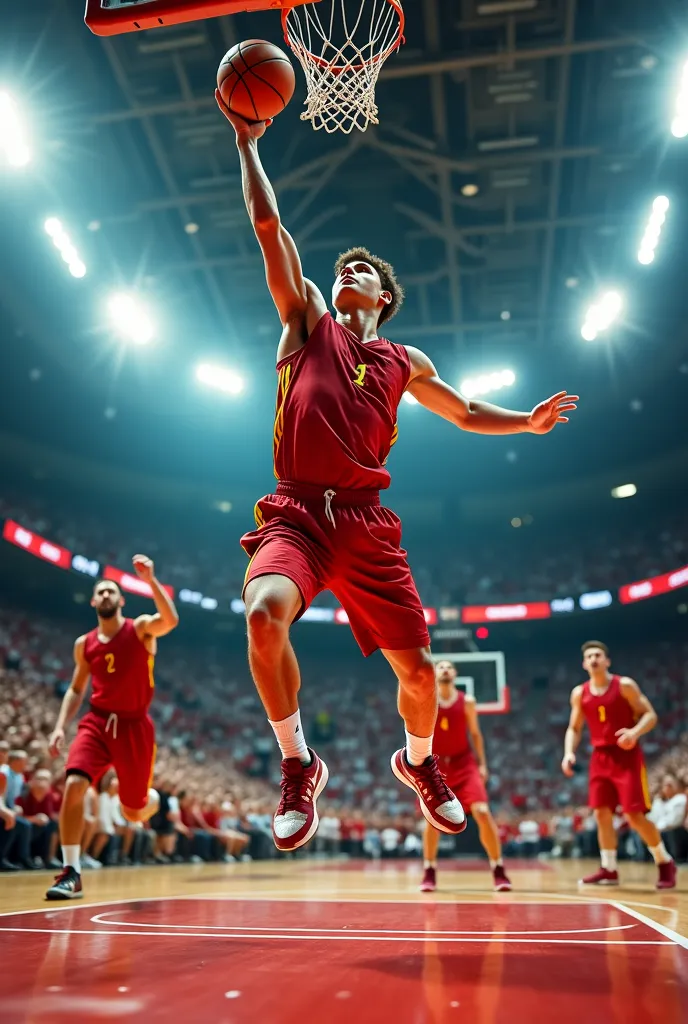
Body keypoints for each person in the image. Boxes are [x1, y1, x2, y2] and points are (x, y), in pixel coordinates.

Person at [215, 90, 579, 853]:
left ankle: (419, 765)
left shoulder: (405, 360)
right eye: (343, 264)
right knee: (260, 614)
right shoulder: (306, 317)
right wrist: (247, 144)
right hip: (296, 516)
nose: (347, 269)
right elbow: (268, 226)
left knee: (420, 678)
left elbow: (467, 410)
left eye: (363, 270)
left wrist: (528, 421)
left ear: (384, 298)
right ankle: (296, 762)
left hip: (366, 525)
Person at [45, 556, 179, 899]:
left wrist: (151, 580)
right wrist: (61, 726)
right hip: (98, 721)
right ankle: (70, 871)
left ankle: (148, 799)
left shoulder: (140, 629)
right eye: (100, 590)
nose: (105, 594)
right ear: (93, 601)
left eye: (111, 590)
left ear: (121, 600)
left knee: (133, 810)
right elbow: (76, 688)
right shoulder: (84, 644)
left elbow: (170, 619)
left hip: (134, 727)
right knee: (74, 782)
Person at [561, 641, 676, 889]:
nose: (593, 659)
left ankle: (664, 862)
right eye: (589, 656)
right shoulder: (579, 693)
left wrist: (634, 732)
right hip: (599, 757)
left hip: (627, 756)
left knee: (634, 815)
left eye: (598, 655)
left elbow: (650, 715)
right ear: (584, 664)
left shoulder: (624, 685)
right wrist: (569, 752)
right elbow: (574, 727)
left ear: (607, 661)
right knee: (601, 813)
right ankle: (609, 868)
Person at [419, 661, 511, 892]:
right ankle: (429, 870)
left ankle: (498, 868)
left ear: (456, 674)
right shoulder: (428, 700)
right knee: (432, 820)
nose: (446, 670)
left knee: (481, 811)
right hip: (436, 766)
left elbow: (476, 735)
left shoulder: (467, 701)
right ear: (435, 673)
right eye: (441, 667)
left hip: (464, 762)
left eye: (449, 667)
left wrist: (482, 764)